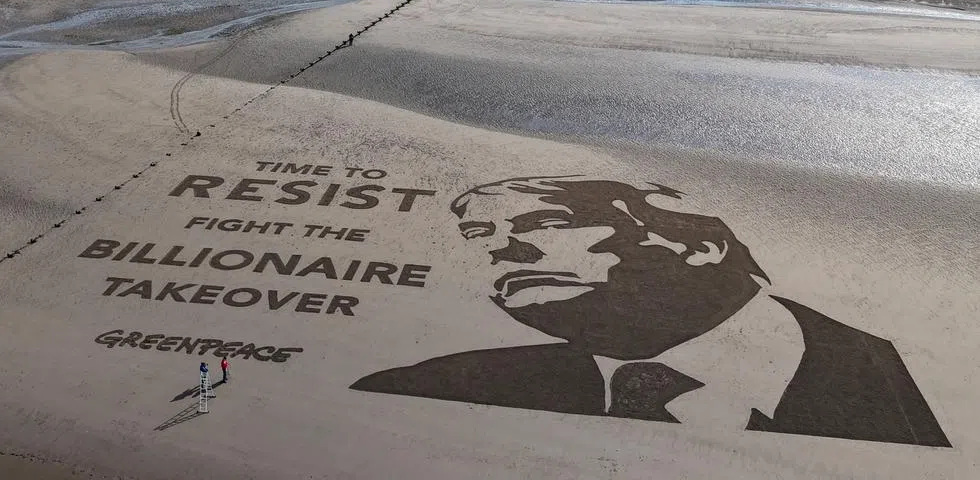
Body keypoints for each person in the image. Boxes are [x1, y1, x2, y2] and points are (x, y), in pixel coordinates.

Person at [351, 175, 950, 447]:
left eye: (547, 224)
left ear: (698, 245)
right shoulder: (421, 388)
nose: (501, 250)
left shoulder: (909, 381)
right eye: (479, 234)